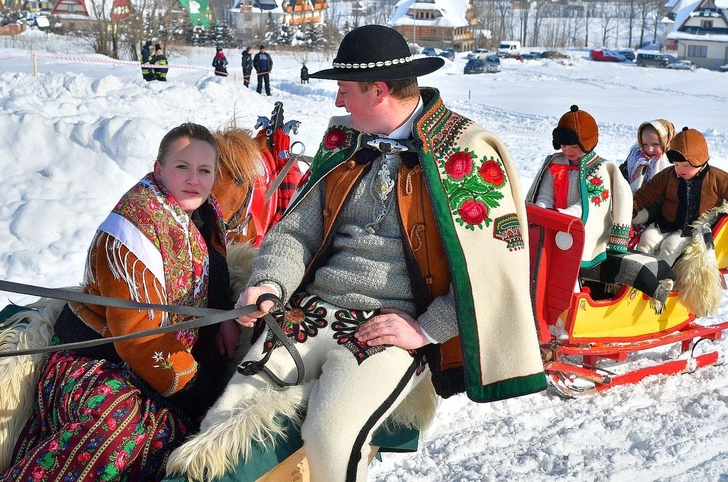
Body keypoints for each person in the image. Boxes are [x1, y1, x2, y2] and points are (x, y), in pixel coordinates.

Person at [167, 24, 546, 482]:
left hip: (387, 326)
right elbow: (295, 231)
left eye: (345, 90)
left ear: (379, 91)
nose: (338, 102)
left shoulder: (466, 152)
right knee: (221, 424)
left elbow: (496, 268)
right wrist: (269, 282)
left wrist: (426, 329)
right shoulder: (344, 143)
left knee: (331, 434)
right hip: (308, 312)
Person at [0, 123, 242, 481]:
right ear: (158, 169)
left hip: (151, 368)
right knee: (119, 426)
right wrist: (202, 395)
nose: (194, 179)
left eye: (204, 170)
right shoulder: (132, 230)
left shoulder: (202, 213)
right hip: (90, 357)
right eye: (182, 167)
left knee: (175, 439)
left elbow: (216, 270)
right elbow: (138, 339)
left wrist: (224, 317)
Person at [527, 105, 674, 309]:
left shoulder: (599, 169)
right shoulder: (557, 163)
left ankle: (572, 303)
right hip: (557, 223)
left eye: (574, 146)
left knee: (572, 259)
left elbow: (593, 205)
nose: (568, 151)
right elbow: (545, 194)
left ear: (587, 144)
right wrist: (543, 210)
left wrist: (565, 217)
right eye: (563, 145)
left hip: (585, 228)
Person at [633, 127, 728, 266]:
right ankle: (638, 271)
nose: (679, 169)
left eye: (685, 165)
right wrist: (633, 208)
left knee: (670, 246)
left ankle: (664, 279)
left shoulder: (716, 178)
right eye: (676, 165)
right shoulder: (668, 175)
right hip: (665, 223)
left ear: (700, 161)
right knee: (647, 238)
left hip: (691, 230)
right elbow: (647, 193)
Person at [621, 119, 675, 192]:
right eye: (644, 144)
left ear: (667, 142)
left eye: (655, 144)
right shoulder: (635, 158)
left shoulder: (674, 165)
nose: (649, 150)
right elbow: (620, 178)